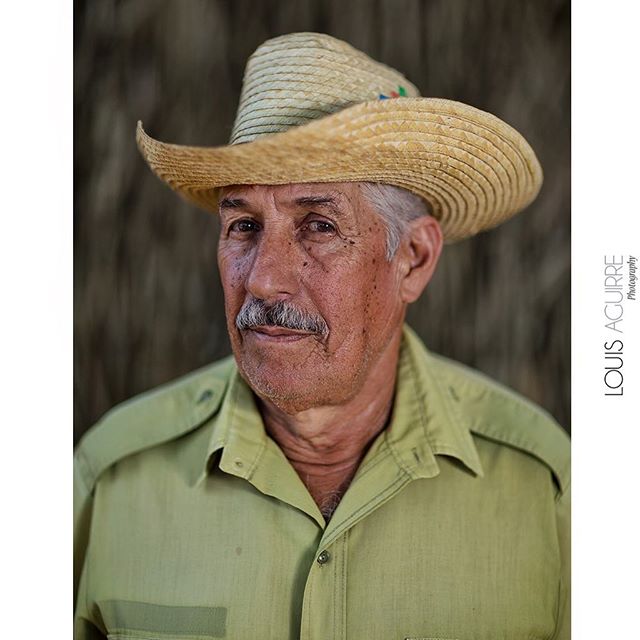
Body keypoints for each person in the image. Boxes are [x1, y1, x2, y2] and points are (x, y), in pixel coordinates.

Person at [74, 32, 570, 639]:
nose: (264, 280)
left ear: (412, 259)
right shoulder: (113, 477)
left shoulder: (543, 488)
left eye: (318, 225)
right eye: (244, 225)